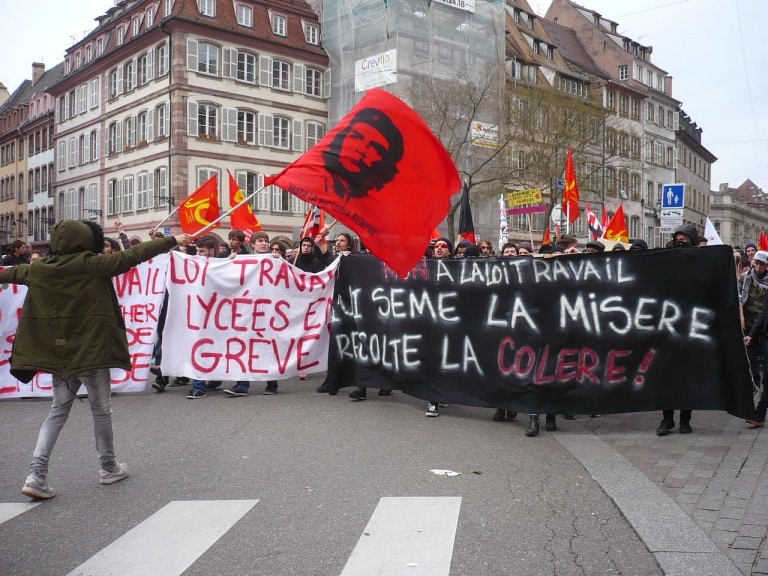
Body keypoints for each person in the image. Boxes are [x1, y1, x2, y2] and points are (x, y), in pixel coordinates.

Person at [0, 220, 190, 499]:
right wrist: (172, 240)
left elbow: (7, 273)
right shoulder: (92, 264)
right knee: (100, 410)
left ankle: (36, 474)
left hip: (58, 353)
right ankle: (108, 467)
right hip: (91, 351)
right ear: (86, 240)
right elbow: (134, 255)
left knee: (57, 410)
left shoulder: (38, 269)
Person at [656, 224, 700, 435]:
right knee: (666, 376)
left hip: (691, 328)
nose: (680, 243)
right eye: (677, 239)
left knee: (687, 376)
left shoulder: (700, 261)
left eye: (684, 240)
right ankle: (667, 419)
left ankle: (685, 419)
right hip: (667, 326)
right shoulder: (666, 259)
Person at [224, 231, 278, 397]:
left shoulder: (275, 261)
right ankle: (242, 385)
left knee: (267, 346)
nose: (265, 243)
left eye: (266, 241)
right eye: (261, 241)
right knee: (244, 346)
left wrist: (281, 261)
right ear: (252, 244)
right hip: (246, 312)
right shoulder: (240, 260)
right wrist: (228, 262)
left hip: (268, 312)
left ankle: (272, 382)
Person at [321, 107, 405, 202]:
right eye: (356, 137)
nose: (361, 150)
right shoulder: (320, 180)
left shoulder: (378, 205)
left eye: (375, 148)